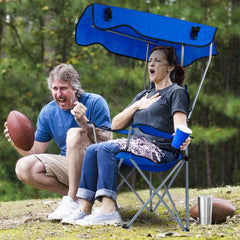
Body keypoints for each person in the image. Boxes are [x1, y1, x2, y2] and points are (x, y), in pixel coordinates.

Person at [60, 46, 191, 226]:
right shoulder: (144, 94)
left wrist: (182, 137)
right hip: (135, 144)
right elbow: (115, 124)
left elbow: (181, 125)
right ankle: (84, 209)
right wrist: (137, 105)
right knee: (92, 149)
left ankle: (108, 211)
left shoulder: (177, 92)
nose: (151, 64)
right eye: (150, 60)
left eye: (157, 60)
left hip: (161, 150)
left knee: (106, 148)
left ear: (170, 67)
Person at [4, 63, 112, 221]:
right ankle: (76, 199)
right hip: (69, 166)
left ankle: (74, 199)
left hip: (97, 167)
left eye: (63, 88)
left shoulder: (95, 102)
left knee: (74, 134)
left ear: (75, 89)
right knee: (24, 167)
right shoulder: (48, 112)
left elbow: (108, 141)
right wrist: (15, 141)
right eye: (55, 89)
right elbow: (35, 150)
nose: (58, 93)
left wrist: (84, 124)